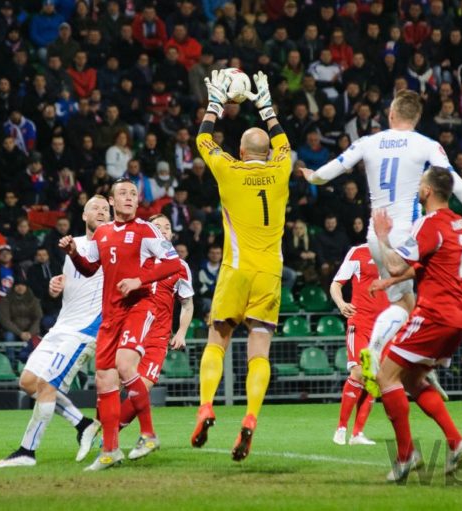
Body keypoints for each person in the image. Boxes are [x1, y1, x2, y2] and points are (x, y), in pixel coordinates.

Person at [301, 89, 462, 385]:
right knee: (410, 303)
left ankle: (419, 366)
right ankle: (388, 355)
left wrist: (312, 176)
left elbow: (330, 171)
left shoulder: (368, 142)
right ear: (417, 118)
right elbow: (456, 185)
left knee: (408, 304)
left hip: (377, 234)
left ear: (391, 114)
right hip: (409, 235)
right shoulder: (427, 145)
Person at [190, 70, 291, 462]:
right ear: (266, 152)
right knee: (259, 351)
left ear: (241, 151)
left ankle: (206, 406)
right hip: (269, 273)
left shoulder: (229, 170)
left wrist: (215, 104)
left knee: (217, 340)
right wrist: (266, 107)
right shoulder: (281, 168)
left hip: (235, 268)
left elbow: (203, 140)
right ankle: (250, 416)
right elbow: (283, 143)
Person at [60, 180, 182, 471]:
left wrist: (140, 280)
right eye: (123, 194)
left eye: (133, 194)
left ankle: (149, 434)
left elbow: (174, 263)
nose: (129, 198)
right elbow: (90, 268)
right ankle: (110, 450)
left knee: (125, 365)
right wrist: (74, 252)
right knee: (104, 380)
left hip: (138, 307)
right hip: (111, 314)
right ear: (112, 202)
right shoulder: (102, 233)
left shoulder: (146, 230)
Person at [370, 167, 462, 482]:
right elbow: (425, 266)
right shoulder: (458, 223)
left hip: (433, 314)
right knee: (414, 380)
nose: (418, 188)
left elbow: (395, 263)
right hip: (456, 317)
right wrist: (392, 282)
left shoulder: (430, 224)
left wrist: (382, 236)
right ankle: (456, 443)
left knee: (385, 376)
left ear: (428, 191)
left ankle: (406, 455)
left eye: (420, 184)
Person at [0, 195, 111, 468]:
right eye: (95, 207)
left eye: (106, 209)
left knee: (47, 385)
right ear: (84, 215)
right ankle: (83, 424)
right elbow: (73, 282)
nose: (101, 211)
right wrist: (56, 285)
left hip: (84, 331)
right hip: (62, 325)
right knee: (28, 382)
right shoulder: (74, 244)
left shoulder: (112, 246)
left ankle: (27, 451)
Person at [119, 214, 195, 460]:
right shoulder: (138, 258)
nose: (162, 230)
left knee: (142, 387)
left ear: (172, 234)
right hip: (132, 329)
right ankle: (105, 432)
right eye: (157, 226)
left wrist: (181, 332)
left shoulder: (180, 266)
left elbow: (187, 304)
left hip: (158, 336)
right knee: (114, 383)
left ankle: (110, 435)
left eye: (167, 227)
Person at [330, 244, 388, 446]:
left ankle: (357, 434)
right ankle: (341, 428)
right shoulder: (358, 252)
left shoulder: (398, 252)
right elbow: (336, 284)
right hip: (361, 323)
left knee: (374, 378)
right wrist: (341, 304)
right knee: (358, 372)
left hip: (383, 327)